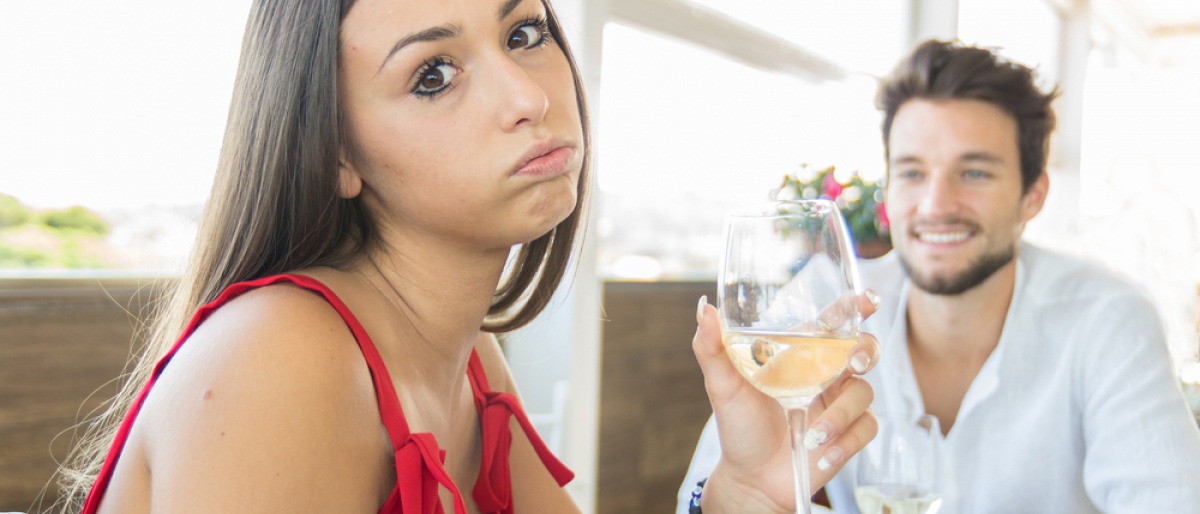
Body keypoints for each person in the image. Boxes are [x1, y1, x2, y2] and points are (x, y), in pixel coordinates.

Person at [51, 1, 882, 513]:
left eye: (524, 31)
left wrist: (739, 497)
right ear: (334, 152)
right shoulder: (278, 358)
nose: (531, 96)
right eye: (434, 74)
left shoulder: (470, 358)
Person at [679, 39, 1200, 514]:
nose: (936, 205)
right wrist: (737, 496)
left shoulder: (1108, 320)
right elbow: (703, 498)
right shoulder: (823, 304)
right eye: (911, 172)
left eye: (974, 172)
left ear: (1033, 195)